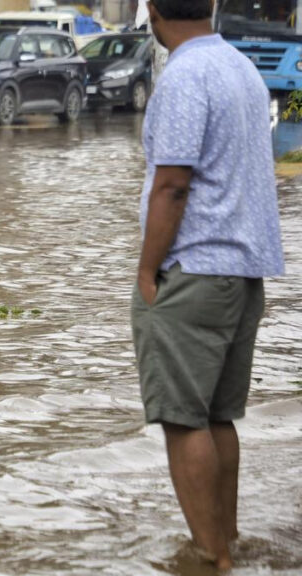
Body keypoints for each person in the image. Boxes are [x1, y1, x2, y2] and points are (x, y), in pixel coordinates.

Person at [131, 0, 284, 571]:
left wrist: (148, 272)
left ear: (151, 8)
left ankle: (211, 557)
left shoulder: (184, 74)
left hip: (193, 271)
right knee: (219, 417)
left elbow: (172, 184)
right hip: (242, 275)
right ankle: (229, 543)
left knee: (183, 419)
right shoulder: (240, 67)